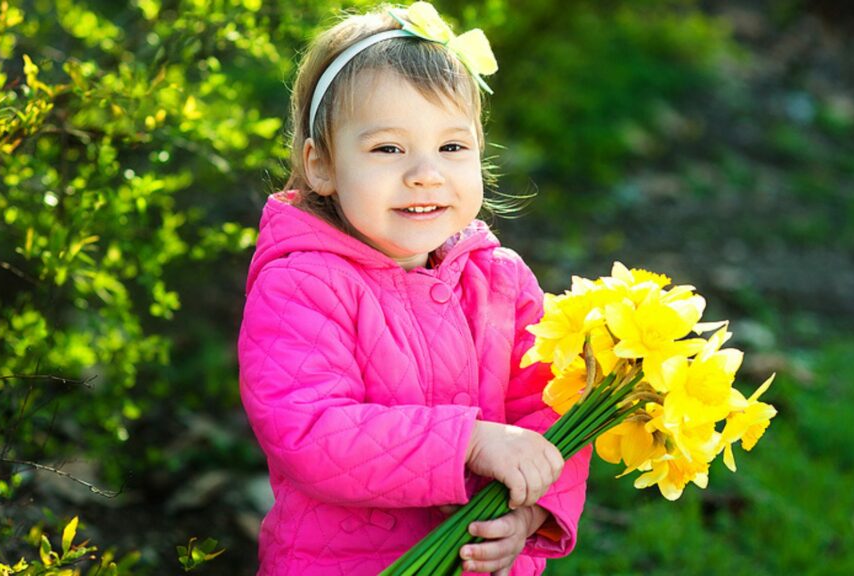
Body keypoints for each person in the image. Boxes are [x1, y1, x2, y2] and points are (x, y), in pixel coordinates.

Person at [237, 3, 592, 574]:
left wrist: (529, 514)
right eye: (388, 149)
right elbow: (310, 429)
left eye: (452, 147)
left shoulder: (502, 280)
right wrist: (469, 442)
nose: (425, 173)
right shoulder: (302, 283)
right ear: (321, 166)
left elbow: (549, 412)